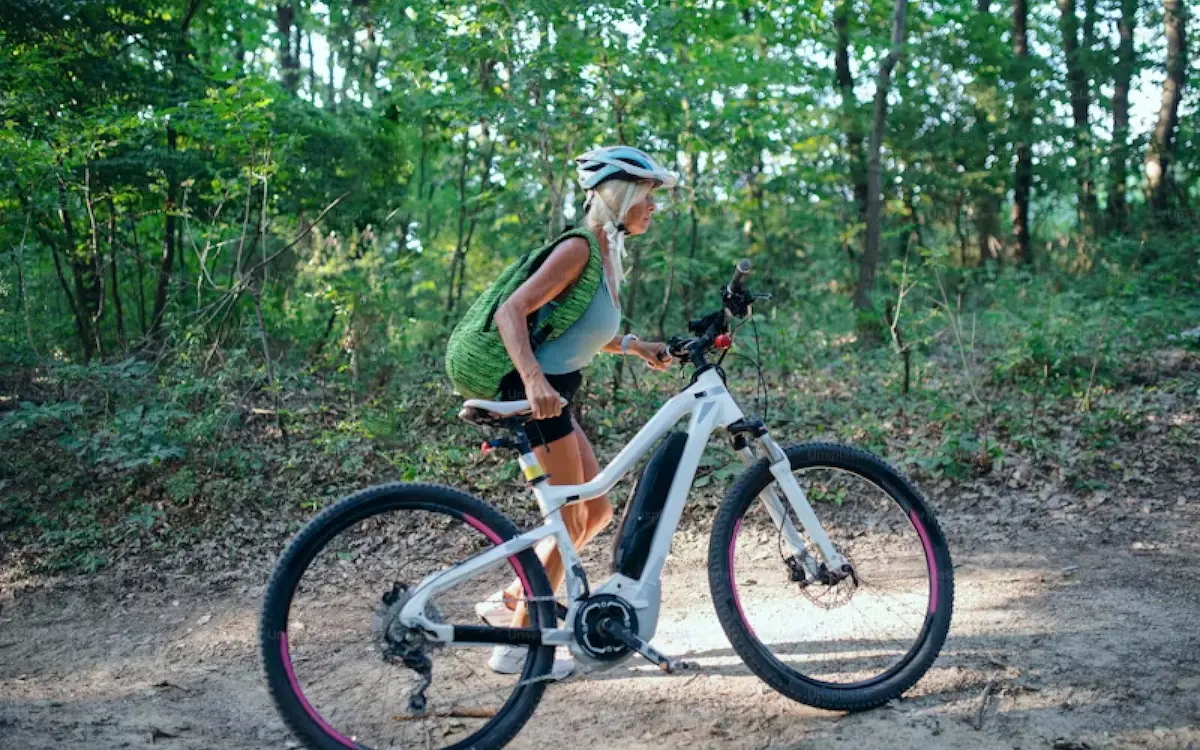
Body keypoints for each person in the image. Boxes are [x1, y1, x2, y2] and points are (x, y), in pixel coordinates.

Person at [478, 146, 677, 678]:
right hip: (536, 395)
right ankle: (519, 641)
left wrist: (633, 345)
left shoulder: (607, 254)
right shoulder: (580, 249)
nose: (653, 208)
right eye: (648, 198)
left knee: (596, 512)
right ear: (622, 196)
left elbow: (582, 330)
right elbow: (510, 311)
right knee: (568, 515)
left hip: (556, 394)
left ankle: (514, 597)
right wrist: (532, 378)